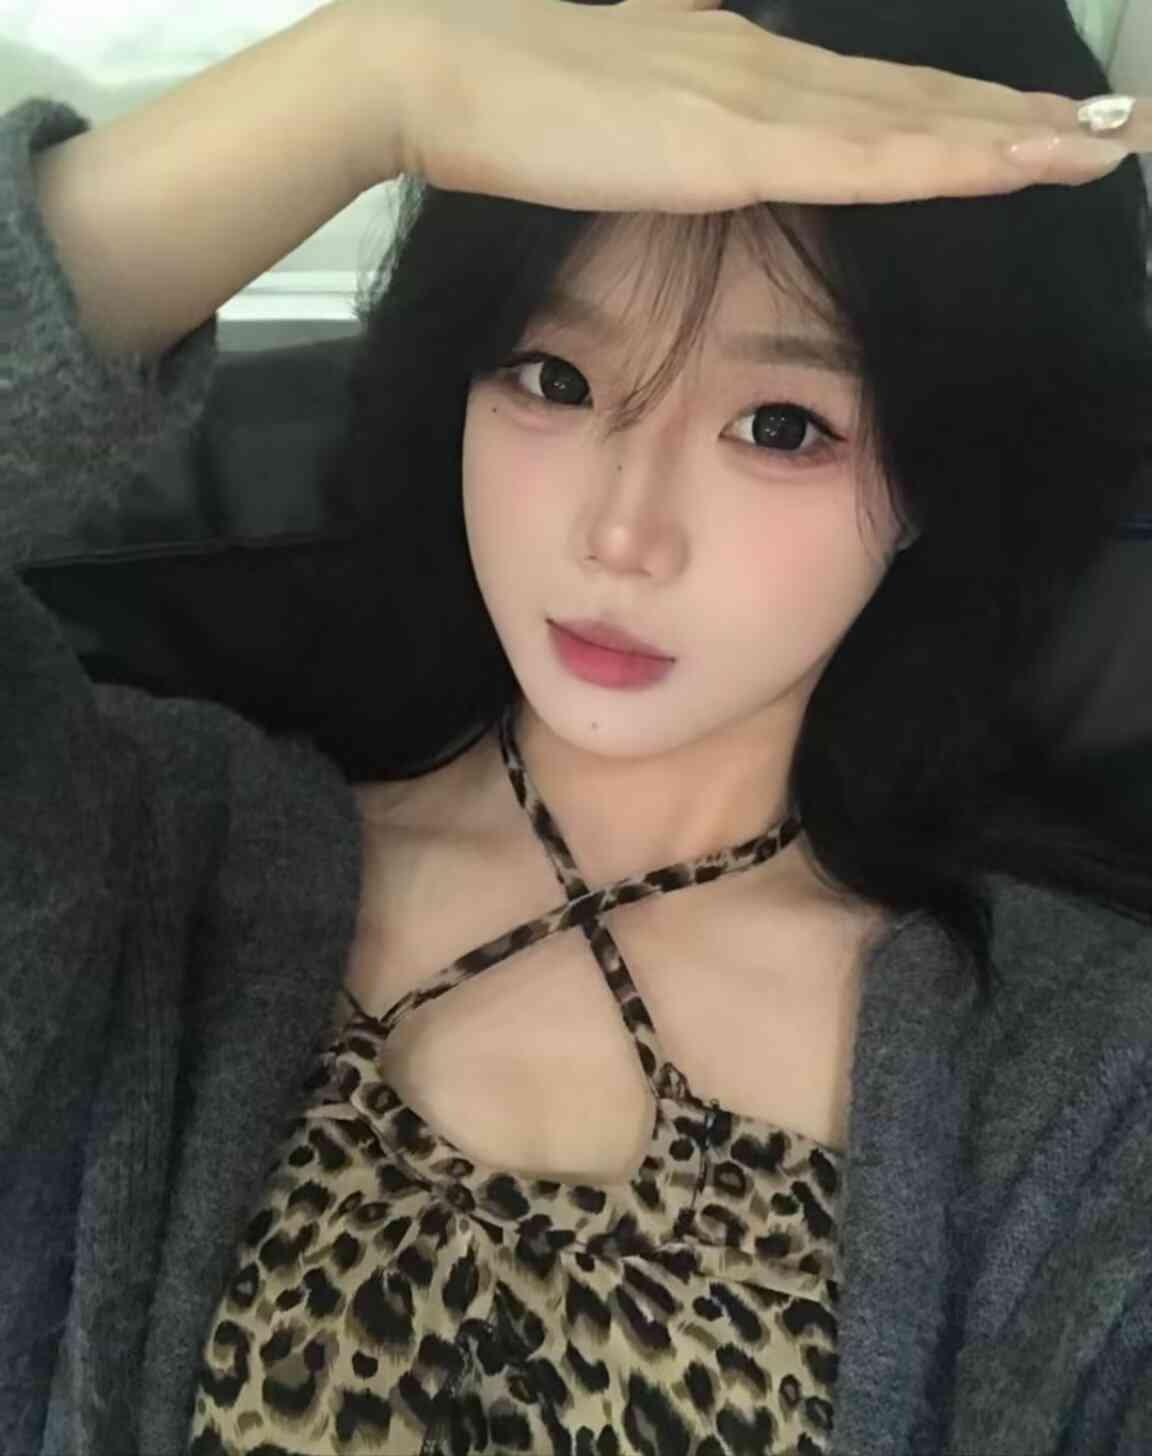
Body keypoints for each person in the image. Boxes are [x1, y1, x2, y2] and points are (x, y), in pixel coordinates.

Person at [1, 0, 1150, 1452]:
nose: (622, 534)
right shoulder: (136, 865)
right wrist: (372, 79)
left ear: (940, 476)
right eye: (554, 376)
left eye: (782, 425)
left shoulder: (1092, 1096)